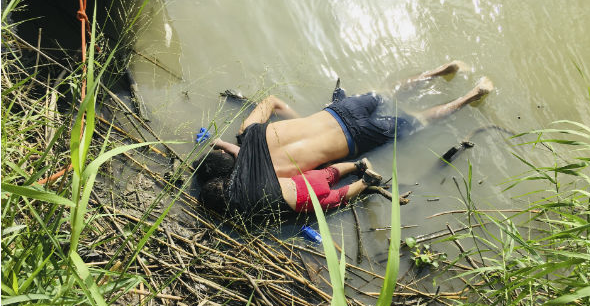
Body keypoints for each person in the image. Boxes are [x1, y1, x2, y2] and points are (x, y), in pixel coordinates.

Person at [195, 61, 494, 214]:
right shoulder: (248, 131)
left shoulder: (275, 178)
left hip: (357, 138)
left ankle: (472, 95)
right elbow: (272, 100)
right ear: (229, 154)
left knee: (418, 120)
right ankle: (445, 70)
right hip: (340, 111)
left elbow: (323, 180)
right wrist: (309, 122)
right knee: (387, 92)